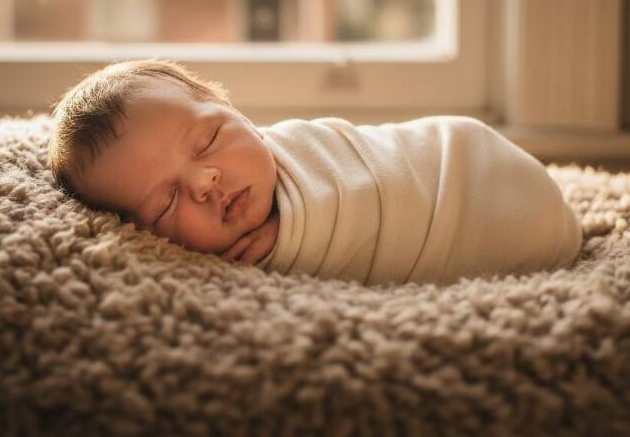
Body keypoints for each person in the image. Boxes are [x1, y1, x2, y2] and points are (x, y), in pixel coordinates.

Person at [49, 59, 583, 286]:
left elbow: (373, 178)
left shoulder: (306, 147)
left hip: (468, 167)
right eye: (166, 202)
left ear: (236, 112)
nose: (204, 182)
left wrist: (298, 229)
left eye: (209, 139)